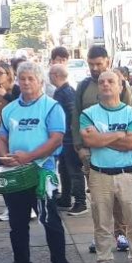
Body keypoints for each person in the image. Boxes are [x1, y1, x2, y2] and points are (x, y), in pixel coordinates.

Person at [0, 62, 71, 263]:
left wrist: (29, 157)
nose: (26, 82)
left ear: (40, 81)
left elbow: (56, 138)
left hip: (41, 174)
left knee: (50, 221)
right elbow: (1, 138)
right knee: (17, 223)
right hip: (16, 175)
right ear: (17, 81)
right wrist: (5, 157)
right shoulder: (9, 109)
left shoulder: (51, 107)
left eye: (31, 78)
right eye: (22, 78)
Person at [80, 70, 132, 263]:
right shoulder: (88, 114)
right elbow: (90, 141)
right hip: (99, 175)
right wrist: (119, 134)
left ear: (121, 86)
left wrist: (103, 138)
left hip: (127, 175)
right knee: (101, 222)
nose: (106, 85)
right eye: (102, 82)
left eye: (111, 81)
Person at [72, 45, 132, 253]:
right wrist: (80, 147)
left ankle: (122, 233)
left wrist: (118, 141)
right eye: (91, 65)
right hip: (91, 153)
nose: (95, 68)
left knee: (121, 199)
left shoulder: (120, 85)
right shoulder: (83, 87)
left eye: (99, 64)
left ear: (107, 61)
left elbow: (130, 117)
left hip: (118, 152)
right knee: (99, 201)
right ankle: (101, 236)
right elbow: (76, 118)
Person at [0, 62, 21, 223]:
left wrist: (5, 95)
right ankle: (10, 205)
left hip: (13, 136)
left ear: (9, 74)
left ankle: (18, 206)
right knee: (1, 170)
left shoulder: (15, 90)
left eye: (1, 72)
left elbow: (20, 107)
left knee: (13, 170)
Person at [49, 64, 85, 216]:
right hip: (65, 138)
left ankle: (80, 201)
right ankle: (66, 198)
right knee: (64, 169)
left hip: (69, 138)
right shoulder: (62, 91)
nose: (49, 77)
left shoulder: (66, 92)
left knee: (74, 170)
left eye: (50, 74)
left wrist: (69, 131)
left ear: (56, 75)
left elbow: (72, 114)